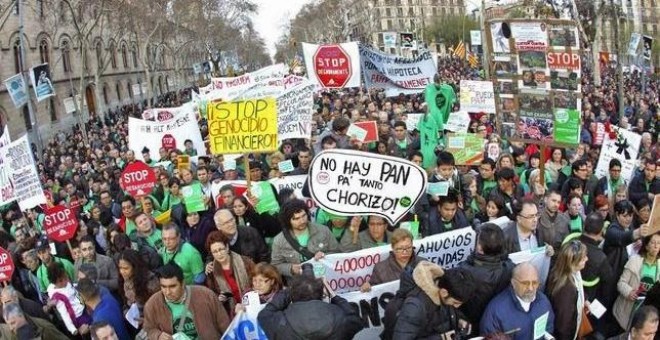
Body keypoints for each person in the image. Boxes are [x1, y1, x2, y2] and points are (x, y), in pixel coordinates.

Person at [258, 275, 363, 340]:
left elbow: (264, 315)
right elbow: (354, 318)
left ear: (292, 296)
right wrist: (333, 295)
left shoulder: (280, 322)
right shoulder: (341, 317)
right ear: (322, 294)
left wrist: (288, 291)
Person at [390, 262, 476, 339]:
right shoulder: (415, 307)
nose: (457, 306)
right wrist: (441, 338)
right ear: (444, 292)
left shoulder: (448, 288)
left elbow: (448, 312)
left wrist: (459, 320)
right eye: (455, 302)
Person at [143, 264, 230, 339]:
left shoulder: (206, 295)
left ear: (183, 283)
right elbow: (149, 329)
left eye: (172, 286)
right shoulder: (152, 305)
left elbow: (224, 323)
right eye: (163, 286)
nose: (168, 292)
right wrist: (158, 335)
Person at [480, 262, 555, 339]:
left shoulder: (543, 302)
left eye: (534, 282)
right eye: (525, 283)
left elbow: (548, 328)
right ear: (513, 283)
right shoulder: (496, 311)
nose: (531, 288)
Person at [459, 223, 514, 327]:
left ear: (480, 248)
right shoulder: (509, 267)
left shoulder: (466, 272)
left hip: (473, 322)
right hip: (498, 321)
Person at [271, 199, 340, 278]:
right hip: (298, 284)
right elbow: (275, 265)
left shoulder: (323, 230)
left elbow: (337, 253)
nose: (302, 221)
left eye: (304, 216)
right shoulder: (279, 240)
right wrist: (291, 268)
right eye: (296, 219)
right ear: (287, 221)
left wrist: (325, 256)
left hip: (324, 279)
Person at [613, 233, 660, 330]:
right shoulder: (635, 261)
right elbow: (621, 283)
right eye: (653, 242)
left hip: (646, 313)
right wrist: (629, 292)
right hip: (626, 310)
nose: (656, 246)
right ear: (646, 246)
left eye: (659, 243)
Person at [205, 231, 255, 316]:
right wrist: (219, 298)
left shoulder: (245, 262)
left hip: (252, 306)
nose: (219, 254)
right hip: (231, 313)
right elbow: (212, 294)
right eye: (215, 252)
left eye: (221, 249)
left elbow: (257, 281)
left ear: (227, 247)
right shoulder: (211, 271)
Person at [546, 240, 589, 340]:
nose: (587, 259)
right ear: (573, 262)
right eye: (583, 258)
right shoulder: (566, 289)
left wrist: (584, 299)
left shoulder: (569, 272)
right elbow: (563, 325)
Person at [117, 249, 160, 331]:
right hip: (135, 320)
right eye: (120, 268)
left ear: (135, 267)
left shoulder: (150, 282)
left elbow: (159, 306)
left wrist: (147, 320)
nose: (122, 272)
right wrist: (127, 313)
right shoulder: (123, 280)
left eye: (126, 268)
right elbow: (125, 302)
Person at [45, 261, 91, 336]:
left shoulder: (66, 283)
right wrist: (72, 329)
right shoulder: (58, 297)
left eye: (65, 277)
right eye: (60, 280)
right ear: (54, 282)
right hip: (78, 317)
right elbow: (64, 315)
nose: (65, 281)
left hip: (84, 308)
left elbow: (75, 291)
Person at [0, 302, 67, 339]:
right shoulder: (13, 334)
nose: (11, 328)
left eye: (13, 323)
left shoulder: (44, 327)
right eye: (8, 324)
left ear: (21, 316)